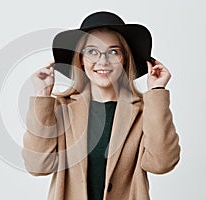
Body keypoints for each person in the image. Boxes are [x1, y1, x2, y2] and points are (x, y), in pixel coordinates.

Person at [22, 11, 181, 200]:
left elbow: (161, 164)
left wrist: (156, 92)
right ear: (80, 59)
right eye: (91, 51)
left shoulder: (144, 111)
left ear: (125, 58)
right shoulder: (62, 110)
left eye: (113, 51)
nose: (103, 61)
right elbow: (38, 166)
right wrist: (42, 95)